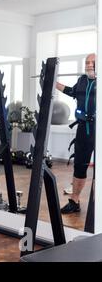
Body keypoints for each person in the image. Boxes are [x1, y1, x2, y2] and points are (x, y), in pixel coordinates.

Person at [56, 53, 96, 214]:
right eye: (87, 62)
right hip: (83, 130)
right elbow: (71, 91)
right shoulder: (82, 80)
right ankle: (74, 201)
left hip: (98, 130)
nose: (89, 65)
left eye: (92, 62)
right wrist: (53, 82)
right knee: (79, 165)